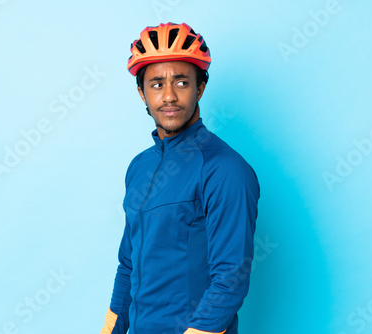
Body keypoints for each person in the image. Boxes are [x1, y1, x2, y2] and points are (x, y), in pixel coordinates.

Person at [100, 22, 260, 334]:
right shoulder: (139, 168)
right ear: (141, 93)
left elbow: (231, 275)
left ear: (200, 88)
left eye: (182, 82)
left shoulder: (225, 169)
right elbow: (128, 265)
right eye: (157, 84)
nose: (170, 96)